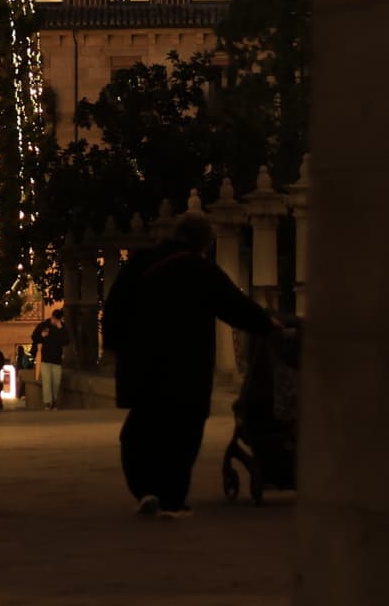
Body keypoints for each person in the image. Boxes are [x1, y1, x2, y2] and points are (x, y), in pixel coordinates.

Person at [101, 214, 275, 520]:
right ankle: (172, 499)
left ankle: (145, 490)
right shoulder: (201, 270)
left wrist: (115, 346)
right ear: (204, 244)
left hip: (143, 364)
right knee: (183, 434)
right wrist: (268, 325)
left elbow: (115, 305)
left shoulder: (141, 262)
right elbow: (234, 305)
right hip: (186, 366)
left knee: (140, 431)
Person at [29, 309, 71, 410]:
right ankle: (47, 402)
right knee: (47, 381)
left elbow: (66, 341)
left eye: (56, 319)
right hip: (45, 359)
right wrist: (41, 335)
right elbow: (34, 337)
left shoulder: (62, 327)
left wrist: (60, 328)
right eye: (53, 319)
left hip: (57, 360)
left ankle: (54, 401)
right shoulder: (44, 325)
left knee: (56, 382)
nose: (54, 321)